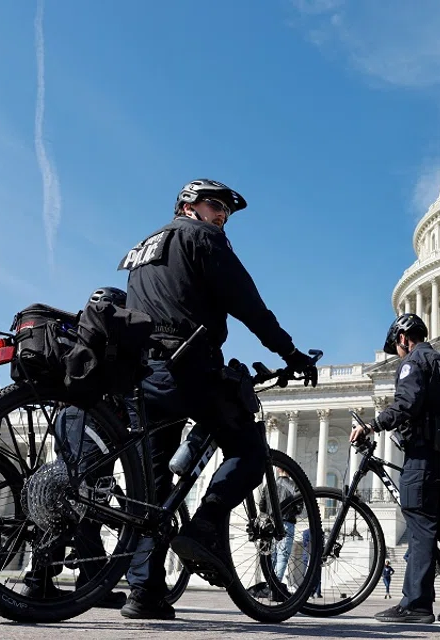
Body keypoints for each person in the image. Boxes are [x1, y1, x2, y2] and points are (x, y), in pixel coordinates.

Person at [118, 179, 318, 619]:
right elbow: (248, 303)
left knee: (152, 490)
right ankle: (206, 524)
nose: (222, 217)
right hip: (186, 365)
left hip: (142, 372)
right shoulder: (201, 237)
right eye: (215, 206)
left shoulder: (145, 246)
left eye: (226, 212)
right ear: (189, 207)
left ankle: (144, 592)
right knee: (249, 448)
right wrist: (289, 352)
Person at [350, 313, 440, 624]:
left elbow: (406, 402)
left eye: (397, 347)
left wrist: (373, 425)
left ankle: (416, 604)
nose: (398, 353)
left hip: (423, 456)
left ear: (404, 338)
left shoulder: (413, 361)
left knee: (419, 526)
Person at [22, 287, 129, 610]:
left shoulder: (84, 337)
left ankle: (39, 579)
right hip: (94, 425)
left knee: (60, 496)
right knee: (89, 502)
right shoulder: (113, 338)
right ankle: (92, 582)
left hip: (67, 418)